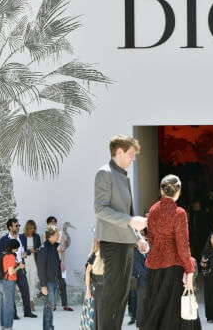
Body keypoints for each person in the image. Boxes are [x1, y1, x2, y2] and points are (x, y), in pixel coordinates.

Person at [94, 135, 148, 330]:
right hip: (112, 244)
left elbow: (127, 212)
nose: (134, 158)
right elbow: (100, 209)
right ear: (119, 152)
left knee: (121, 297)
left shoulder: (123, 176)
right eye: (131, 154)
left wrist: (138, 237)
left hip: (126, 244)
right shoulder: (105, 173)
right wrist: (131, 221)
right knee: (112, 297)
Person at [142, 174, 194, 330]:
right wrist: (190, 270)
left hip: (154, 267)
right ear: (178, 191)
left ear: (161, 190)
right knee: (172, 315)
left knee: (154, 311)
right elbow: (183, 245)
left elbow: (151, 238)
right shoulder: (179, 213)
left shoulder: (153, 210)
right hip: (173, 267)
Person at [0, 218, 35, 319]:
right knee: (11, 293)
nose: (18, 227)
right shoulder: (3, 240)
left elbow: (25, 250)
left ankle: (28, 312)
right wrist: (8, 255)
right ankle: (13, 314)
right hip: (10, 269)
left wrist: (25, 253)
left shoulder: (22, 237)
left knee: (25, 290)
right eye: (16, 226)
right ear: (10, 227)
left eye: (19, 225)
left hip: (20, 267)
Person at [44, 216, 73, 312]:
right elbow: (46, 249)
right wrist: (57, 250)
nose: (53, 223)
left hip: (60, 261)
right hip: (49, 263)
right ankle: (53, 304)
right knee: (52, 283)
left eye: (55, 222)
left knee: (63, 282)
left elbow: (63, 249)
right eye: (51, 222)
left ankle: (65, 304)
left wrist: (62, 263)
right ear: (48, 224)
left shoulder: (61, 233)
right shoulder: (44, 234)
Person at [37, 225, 61, 330]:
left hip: (54, 281)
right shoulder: (44, 248)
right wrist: (43, 285)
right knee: (48, 307)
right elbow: (40, 268)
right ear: (51, 235)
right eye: (57, 233)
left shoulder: (53, 247)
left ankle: (50, 327)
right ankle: (48, 327)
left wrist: (58, 279)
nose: (59, 235)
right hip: (48, 283)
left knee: (50, 307)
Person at [79, 238, 102, 330]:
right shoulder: (94, 255)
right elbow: (87, 272)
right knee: (92, 313)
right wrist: (88, 289)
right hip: (94, 288)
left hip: (100, 288)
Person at [0, 239, 22, 330]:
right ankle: (8, 327)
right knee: (9, 307)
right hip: (9, 283)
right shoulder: (11, 256)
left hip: (1, 282)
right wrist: (19, 267)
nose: (17, 250)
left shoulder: (3, 254)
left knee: (3, 306)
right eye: (17, 248)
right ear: (14, 248)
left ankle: (3, 326)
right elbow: (11, 272)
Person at [21, 220, 41, 312]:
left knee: (33, 281)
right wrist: (29, 251)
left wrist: (36, 250)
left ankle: (31, 301)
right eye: (30, 228)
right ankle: (25, 303)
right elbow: (21, 250)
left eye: (33, 228)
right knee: (26, 282)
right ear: (27, 228)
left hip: (34, 260)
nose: (31, 230)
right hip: (25, 260)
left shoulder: (36, 236)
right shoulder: (22, 237)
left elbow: (39, 247)